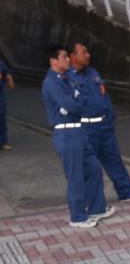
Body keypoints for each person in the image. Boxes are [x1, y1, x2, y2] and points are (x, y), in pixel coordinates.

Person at [41, 45, 111, 228]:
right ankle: (78, 216)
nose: (67, 60)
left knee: (93, 168)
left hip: (77, 129)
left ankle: (97, 208)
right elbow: (72, 105)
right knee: (75, 175)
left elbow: (77, 102)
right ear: (53, 61)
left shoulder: (65, 79)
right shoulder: (52, 82)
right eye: (64, 57)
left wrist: (75, 101)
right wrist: (75, 101)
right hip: (66, 132)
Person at [67, 42, 130, 202]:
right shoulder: (66, 78)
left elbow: (102, 92)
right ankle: (87, 200)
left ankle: (125, 191)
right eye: (84, 52)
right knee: (88, 166)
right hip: (86, 127)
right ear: (72, 56)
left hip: (104, 124)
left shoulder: (92, 72)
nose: (88, 55)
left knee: (114, 158)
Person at [0, 54, 13, 151]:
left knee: (1, 118)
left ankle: (3, 142)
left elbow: (7, 73)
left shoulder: (1, 64)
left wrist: (10, 81)